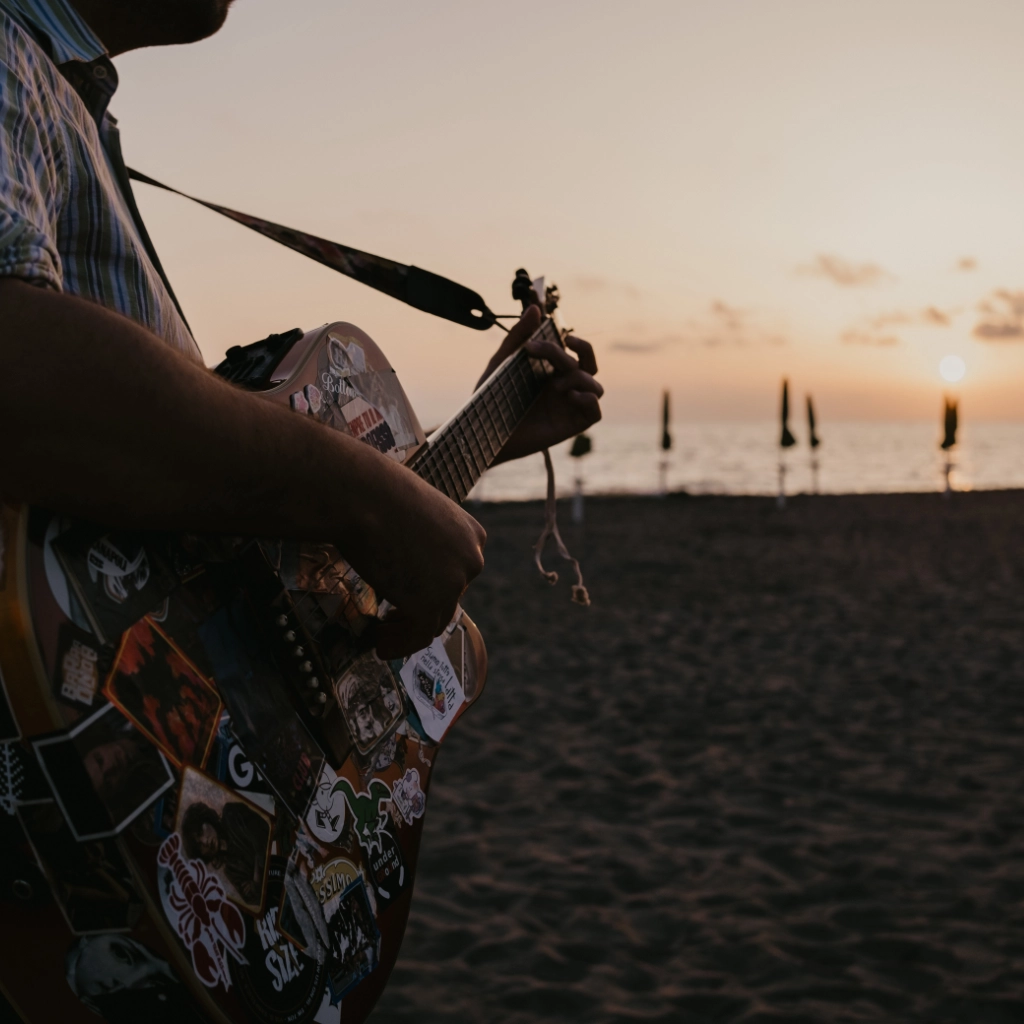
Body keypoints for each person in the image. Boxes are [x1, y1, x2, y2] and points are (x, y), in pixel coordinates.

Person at [0, 0, 603, 661]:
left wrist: (485, 434)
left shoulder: (73, 110)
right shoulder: (11, 53)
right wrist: (359, 494)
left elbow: (221, 532)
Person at [180, 798, 269, 906]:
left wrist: (256, 881)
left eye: (200, 832)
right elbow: (255, 900)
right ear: (202, 855)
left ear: (206, 819)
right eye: (199, 846)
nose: (205, 841)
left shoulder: (231, 814)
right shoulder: (230, 871)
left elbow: (263, 839)